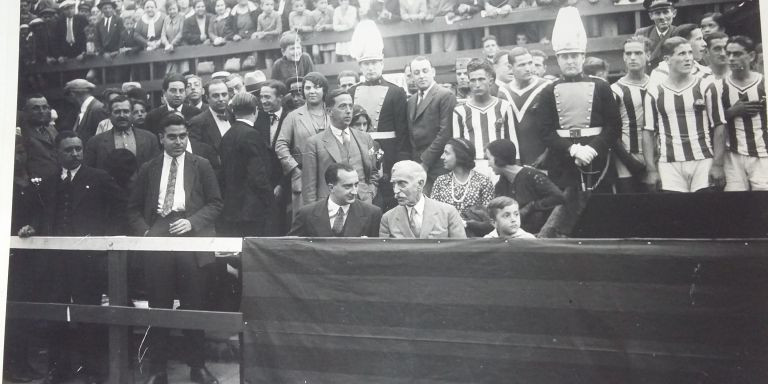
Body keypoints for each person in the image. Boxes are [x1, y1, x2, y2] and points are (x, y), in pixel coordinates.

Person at [18, 131, 126, 384]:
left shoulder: (98, 177)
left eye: (78, 148)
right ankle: (58, 370)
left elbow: (120, 209)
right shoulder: (48, 182)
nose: (75, 153)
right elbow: (40, 213)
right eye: (68, 149)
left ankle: (94, 371)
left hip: (88, 260)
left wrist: (104, 240)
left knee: (89, 314)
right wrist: (33, 227)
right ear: (57, 152)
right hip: (56, 262)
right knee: (57, 314)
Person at [127, 113, 222, 384]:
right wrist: (146, 232)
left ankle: (197, 367)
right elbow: (132, 208)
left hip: (191, 238)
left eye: (182, 136)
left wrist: (192, 222)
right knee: (159, 304)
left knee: (194, 304)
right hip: (158, 236)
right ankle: (158, 370)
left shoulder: (201, 164)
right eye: (172, 137)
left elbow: (216, 203)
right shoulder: (149, 167)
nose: (178, 141)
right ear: (161, 138)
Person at [537, 6, 620, 237]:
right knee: (565, 213)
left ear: (582, 57)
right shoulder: (548, 91)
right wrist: (572, 149)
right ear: (558, 59)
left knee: (600, 213)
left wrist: (592, 149)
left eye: (574, 56)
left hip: (597, 158)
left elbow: (614, 126)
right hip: (563, 160)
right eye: (565, 56)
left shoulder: (601, 87)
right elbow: (545, 131)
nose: (570, 61)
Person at [642, 37, 726, 193]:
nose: (688, 58)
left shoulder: (706, 86)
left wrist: (718, 164)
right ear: (667, 59)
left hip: (703, 160)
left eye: (689, 53)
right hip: (669, 163)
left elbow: (719, 125)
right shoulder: (654, 92)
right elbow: (648, 132)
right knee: (676, 208)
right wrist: (651, 169)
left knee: (705, 207)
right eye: (681, 54)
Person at [348, 20, 409, 209]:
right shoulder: (351, 91)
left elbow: (402, 132)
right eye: (366, 64)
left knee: (390, 198)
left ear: (382, 64)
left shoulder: (396, 92)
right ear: (360, 66)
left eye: (374, 63)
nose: (370, 68)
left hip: (389, 154)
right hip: (359, 152)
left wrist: (399, 162)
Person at [302, 89, 378, 204]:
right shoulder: (314, 143)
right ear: (329, 111)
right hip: (330, 206)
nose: (348, 111)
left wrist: (370, 193)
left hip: (362, 204)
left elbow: (373, 172)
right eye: (342, 106)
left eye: (350, 106)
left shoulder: (365, 138)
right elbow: (309, 188)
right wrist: (315, 212)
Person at [219, 93, 276, 236]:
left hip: (231, 208)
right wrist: (270, 200)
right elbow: (258, 175)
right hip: (252, 209)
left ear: (234, 110)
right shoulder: (252, 135)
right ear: (256, 110)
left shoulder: (227, 135)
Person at [452, 58, 518, 179]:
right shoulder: (460, 111)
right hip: (472, 167)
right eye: (473, 80)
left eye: (481, 79)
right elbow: (457, 147)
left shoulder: (504, 106)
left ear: (491, 81)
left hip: (500, 165)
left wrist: (514, 169)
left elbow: (513, 141)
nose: (477, 84)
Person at [275, 73, 330, 216]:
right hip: (303, 174)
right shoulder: (293, 116)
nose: (312, 91)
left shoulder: (332, 113)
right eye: (308, 88)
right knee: (305, 217)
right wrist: (294, 168)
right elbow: (280, 145)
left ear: (324, 90)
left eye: (317, 87)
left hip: (331, 174)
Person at [486, 139, 564, 235]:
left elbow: (558, 197)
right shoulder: (501, 184)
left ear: (498, 159)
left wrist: (532, 206)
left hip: (540, 235)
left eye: (489, 159)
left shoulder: (532, 176)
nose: (488, 164)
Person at [721, 35, 768, 191]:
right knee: (735, 199)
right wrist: (732, 112)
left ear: (752, 56)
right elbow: (711, 121)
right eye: (728, 54)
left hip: (762, 154)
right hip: (732, 155)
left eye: (737, 54)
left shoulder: (764, 83)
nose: (731, 58)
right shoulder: (719, 85)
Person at [406, 56, 457, 193]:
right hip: (418, 165)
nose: (421, 76)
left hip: (439, 164)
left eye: (425, 71)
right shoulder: (411, 101)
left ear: (433, 72)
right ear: (412, 76)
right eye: (416, 73)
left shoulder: (445, 95)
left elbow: (445, 133)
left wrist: (425, 162)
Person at [289, 162, 382, 237]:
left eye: (356, 185)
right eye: (348, 186)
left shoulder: (372, 214)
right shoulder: (306, 214)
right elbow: (292, 247)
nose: (354, 191)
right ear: (331, 188)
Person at [379, 160, 466, 238]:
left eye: (402, 183)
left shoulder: (448, 213)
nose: (396, 190)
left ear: (420, 184)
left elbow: (461, 249)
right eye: (393, 184)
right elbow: (384, 250)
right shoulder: (388, 219)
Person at [610, 36, 651, 193]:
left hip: (657, 156)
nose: (632, 57)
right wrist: (629, 161)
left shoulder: (658, 85)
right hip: (627, 158)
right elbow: (610, 131)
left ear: (648, 55)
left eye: (638, 53)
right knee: (630, 203)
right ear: (623, 57)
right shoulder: (615, 90)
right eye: (628, 53)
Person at [430, 138, 494, 237]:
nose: (442, 157)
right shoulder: (440, 181)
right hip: (445, 238)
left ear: (460, 155)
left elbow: (490, 219)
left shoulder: (483, 181)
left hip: (475, 239)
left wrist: (468, 223)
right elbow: (433, 214)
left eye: (447, 153)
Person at [500, 47, 550, 167]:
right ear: (510, 67)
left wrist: (547, 153)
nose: (528, 68)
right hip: (515, 160)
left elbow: (556, 125)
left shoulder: (546, 86)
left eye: (530, 63)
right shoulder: (503, 91)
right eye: (521, 65)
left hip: (543, 157)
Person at [85, 95, 160, 170]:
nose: (122, 115)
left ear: (132, 113)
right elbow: (90, 171)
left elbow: (156, 169)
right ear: (110, 115)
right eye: (117, 112)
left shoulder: (150, 139)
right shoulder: (95, 142)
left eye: (126, 111)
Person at [20, 94, 60, 179]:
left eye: (45, 107)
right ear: (26, 111)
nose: (41, 111)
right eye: (36, 108)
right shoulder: (21, 133)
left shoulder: (51, 129)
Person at [188, 79, 231, 153]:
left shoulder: (234, 116)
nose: (221, 99)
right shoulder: (197, 122)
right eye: (216, 96)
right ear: (207, 98)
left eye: (224, 95)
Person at [635, 0, 678, 70]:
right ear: (651, 16)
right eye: (657, 13)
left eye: (665, 12)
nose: (662, 17)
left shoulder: (679, 33)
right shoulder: (642, 34)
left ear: (674, 13)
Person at [66, 79, 109, 144]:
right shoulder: (86, 109)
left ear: (73, 94)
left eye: (69, 96)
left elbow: (105, 139)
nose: (69, 100)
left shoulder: (97, 109)